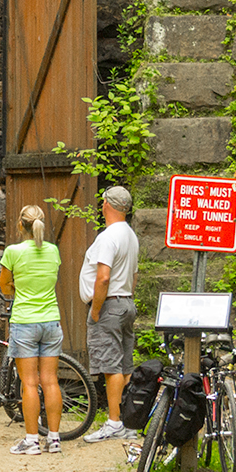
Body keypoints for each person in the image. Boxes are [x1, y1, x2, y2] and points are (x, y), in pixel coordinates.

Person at [0, 203, 63, 455]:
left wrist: (16, 286)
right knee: (50, 380)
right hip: (51, 321)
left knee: (30, 384)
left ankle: (32, 440)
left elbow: (4, 285)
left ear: (19, 225)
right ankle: (54, 440)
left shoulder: (13, 252)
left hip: (25, 321)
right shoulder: (53, 252)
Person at [79, 184, 141, 443]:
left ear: (107, 205)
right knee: (125, 366)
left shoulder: (107, 237)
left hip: (109, 305)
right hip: (126, 301)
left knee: (110, 366)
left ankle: (114, 422)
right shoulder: (130, 235)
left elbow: (103, 278)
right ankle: (127, 422)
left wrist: (95, 310)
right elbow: (134, 276)